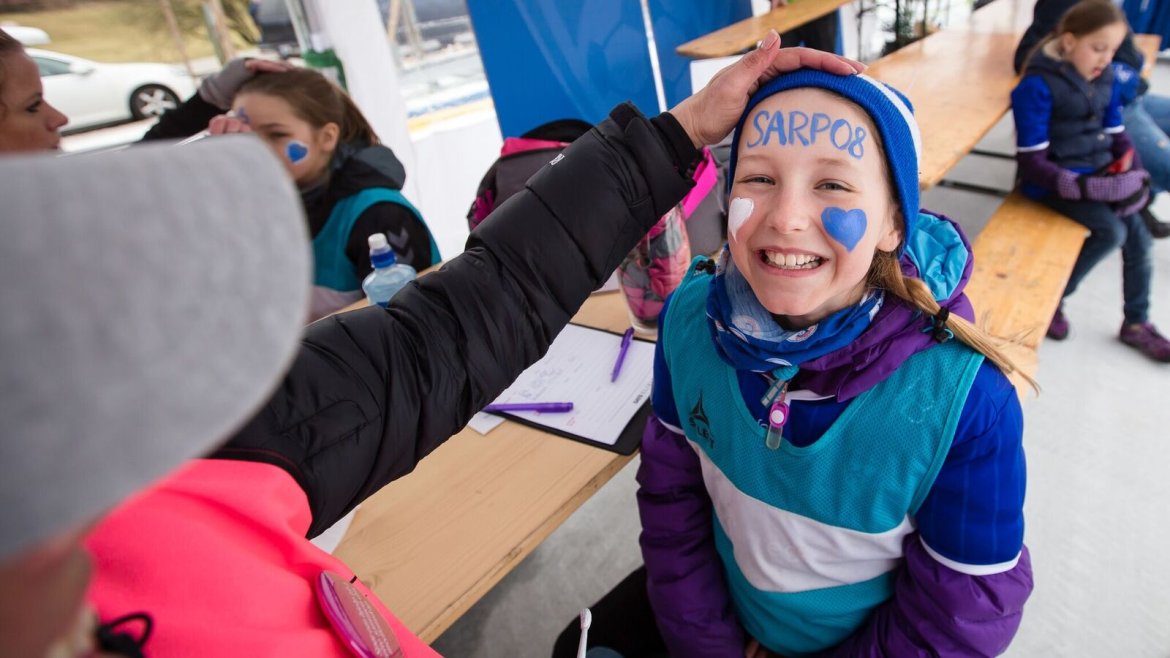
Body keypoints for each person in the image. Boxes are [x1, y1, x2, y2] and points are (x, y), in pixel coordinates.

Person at [0, 30, 866, 657]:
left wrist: (674, 136)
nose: (787, 217)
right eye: (759, 179)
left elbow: (455, 326)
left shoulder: (145, 445)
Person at [555, 68, 1034, 658]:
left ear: (893, 222)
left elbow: (959, 614)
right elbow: (671, 503)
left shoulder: (965, 404)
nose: (785, 217)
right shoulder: (688, 323)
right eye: (759, 177)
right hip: (721, 617)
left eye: (832, 184)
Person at [1012, 0, 1170, 362]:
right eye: (1098, 48)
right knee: (1111, 232)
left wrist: (1134, 170)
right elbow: (1032, 162)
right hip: (1053, 185)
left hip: (1098, 177)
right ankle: (1053, 301)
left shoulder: (1104, 77)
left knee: (1139, 237)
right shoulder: (1036, 86)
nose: (1106, 59)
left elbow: (1117, 133)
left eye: (1112, 50)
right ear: (1069, 41)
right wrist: (1081, 187)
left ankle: (1136, 322)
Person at [1014, 0, 1170, 239]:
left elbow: (1133, 58)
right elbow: (1026, 57)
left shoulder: (1110, 20)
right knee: (1164, 169)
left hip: (1124, 99)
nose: (1107, 58)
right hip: (1106, 109)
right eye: (1099, 49)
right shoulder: (1042, 80)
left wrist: (1117, 73)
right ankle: (1138, 202)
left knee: (1136, 180)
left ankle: (1141, 201)